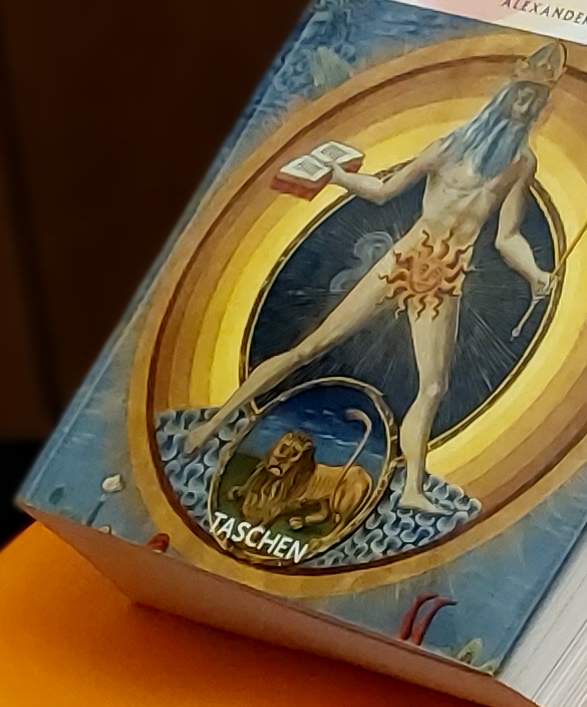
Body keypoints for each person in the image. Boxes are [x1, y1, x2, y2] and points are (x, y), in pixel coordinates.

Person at [205, 45, 563, 517]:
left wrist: (535, 273)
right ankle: (214, 423)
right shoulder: (448, 147)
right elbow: (382, 190)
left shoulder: (521, 163)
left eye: (536, 101)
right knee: (311, 346)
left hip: (444, 279)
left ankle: (412, 488)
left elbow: (507, 236)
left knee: (432, 388)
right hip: (403, 260)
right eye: (523, 95)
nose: (527, 107)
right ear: (507, 94)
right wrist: (338, 176)